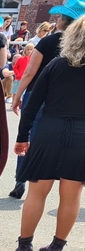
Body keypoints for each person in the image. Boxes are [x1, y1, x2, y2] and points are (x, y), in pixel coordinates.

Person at [13, 14, 85, 251]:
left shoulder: (56, 65)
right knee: (71, 194)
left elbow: (33, 104)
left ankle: (25, 244)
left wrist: (22, 136)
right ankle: (56, 247)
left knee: (38, 190)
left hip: (49, 129)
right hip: (82, 134)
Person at [9, 0, 85, 198]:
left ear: (63, 21)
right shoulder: (81, 47)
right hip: (66, 102)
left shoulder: (48, 41)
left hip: (38, 93)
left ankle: (21, 180)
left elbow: (29, 72)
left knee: (27, 137)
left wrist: (17, 95)